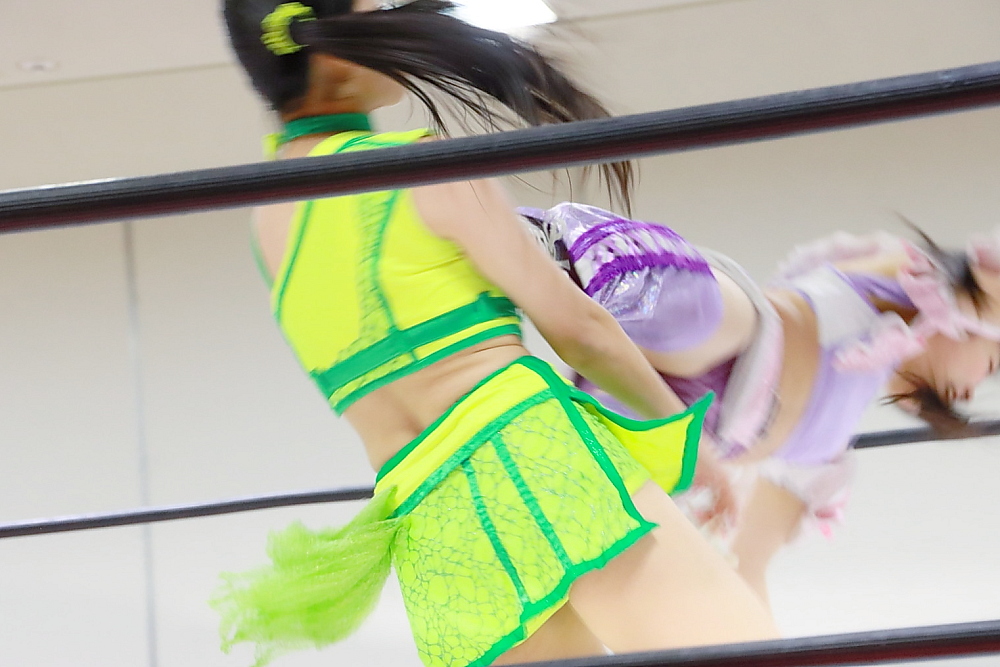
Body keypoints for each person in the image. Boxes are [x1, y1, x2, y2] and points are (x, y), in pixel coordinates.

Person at [212, 2, 777, 666]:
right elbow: (579, 328)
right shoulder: (416, 165)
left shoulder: (266, 226)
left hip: (433, 527)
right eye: (377, 11)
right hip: (536, 458)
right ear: (334, 58)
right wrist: (689, 441)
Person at [522, 202, 1000, 608]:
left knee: (622, 509)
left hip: (698, 423)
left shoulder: (826, 462)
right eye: (992, 364)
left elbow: (747, 569)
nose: (974, 387)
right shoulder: (901, 273)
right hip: (739, 338)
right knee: (703, 318)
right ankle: (549, 252)